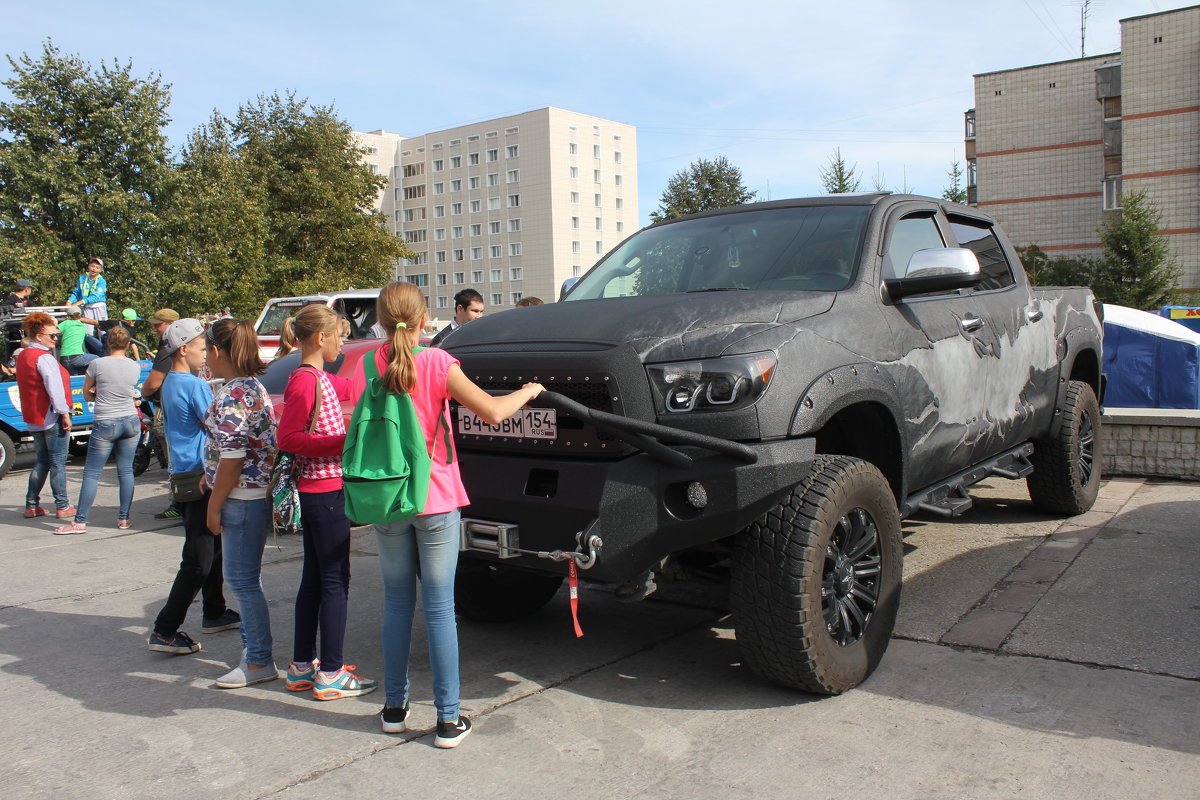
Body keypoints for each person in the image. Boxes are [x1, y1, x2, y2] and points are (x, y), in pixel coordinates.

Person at [357, 281, 543, 747]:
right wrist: (529, 390)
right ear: (425, 321)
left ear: (381, 321)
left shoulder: (368, 363)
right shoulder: (438, 361)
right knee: (440, 609)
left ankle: (394, 709)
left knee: (397, 604)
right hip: (435, 497)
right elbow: (495, 412)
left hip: (388, 497)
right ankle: (447, 719)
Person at [277, 305, 376, 701]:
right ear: (321, 338)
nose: (342, 342)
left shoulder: (317, 377)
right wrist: (345, 442)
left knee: (316, 579)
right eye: (338, 335)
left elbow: (352, 390)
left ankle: (303, 665)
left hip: (323, 493)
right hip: (323, 493)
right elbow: (289, 439)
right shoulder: (304, 381)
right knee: (335, 580)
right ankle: (332, 672)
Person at [147, 318, 239, 656]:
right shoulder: (193, 385)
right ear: (184, 349)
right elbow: (219, 426)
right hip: (199, 475)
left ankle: (214, 610)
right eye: (202, 348)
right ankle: (165, 629)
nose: (206, 355)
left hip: (183, 474)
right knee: (198, 558)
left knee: (211, 545)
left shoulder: (170, 381)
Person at [203, 318, 278, 689]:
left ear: (217, 351)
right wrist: (210, 472)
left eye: (206, 351)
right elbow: (230, 453)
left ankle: (259, 659)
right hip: (248, 495)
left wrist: (214, 504)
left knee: (243, 582)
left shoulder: (233, 394)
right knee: (247, 580)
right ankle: (256, 657)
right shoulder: (251, 387)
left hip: (241, 498)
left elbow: (233, 458)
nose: (205, 359)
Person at [54, 327, 141, 534]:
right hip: (130, 420)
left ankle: (80, 521)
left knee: (92, 473)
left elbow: (86, 394)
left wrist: (97, 394)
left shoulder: (96, 364)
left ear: (108, 343)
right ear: (128, 345)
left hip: (106, 421)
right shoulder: (134, 365)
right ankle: (124, 519)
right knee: (126, 471)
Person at [15, 312, 75, 520]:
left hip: (34, 416)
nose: (56, 339)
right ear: (39, 336)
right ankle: (63, 505)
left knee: (42, 461)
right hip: (51, 416)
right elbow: (55, 389)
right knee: (58, 462)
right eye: (52, 336)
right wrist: (65, 414)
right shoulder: (44, 358)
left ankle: (31, 505)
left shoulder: (23, 355)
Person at [140, 309, 183, 523]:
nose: (155, 328)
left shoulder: (168, 348)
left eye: (158, 324)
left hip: (166, 407)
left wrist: (143, 393)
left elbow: (154, 382)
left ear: (170, 325)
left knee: (172, 458)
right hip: (176, 406)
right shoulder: (181, 346)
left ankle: (179, 502)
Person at [58, 306, 103, 375]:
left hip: (64, 359)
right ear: (80, 315)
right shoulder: (83, 326)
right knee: (97, 358)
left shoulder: (65, 323)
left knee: (74, 377)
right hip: (77, 358)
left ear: (68, 316)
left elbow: (55, 330)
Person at [66, 257, 108, 321]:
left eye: (97, 267)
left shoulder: (102, 281)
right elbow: (77, 292)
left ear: (100, 270)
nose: (94, 269)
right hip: (87, 307)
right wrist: (69, 302)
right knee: (88, 328)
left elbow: (96, 296)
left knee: (102, 328)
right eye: (92, 266)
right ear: (88, 266)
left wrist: (80, 302)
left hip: (99, 306)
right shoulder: (82, 278)